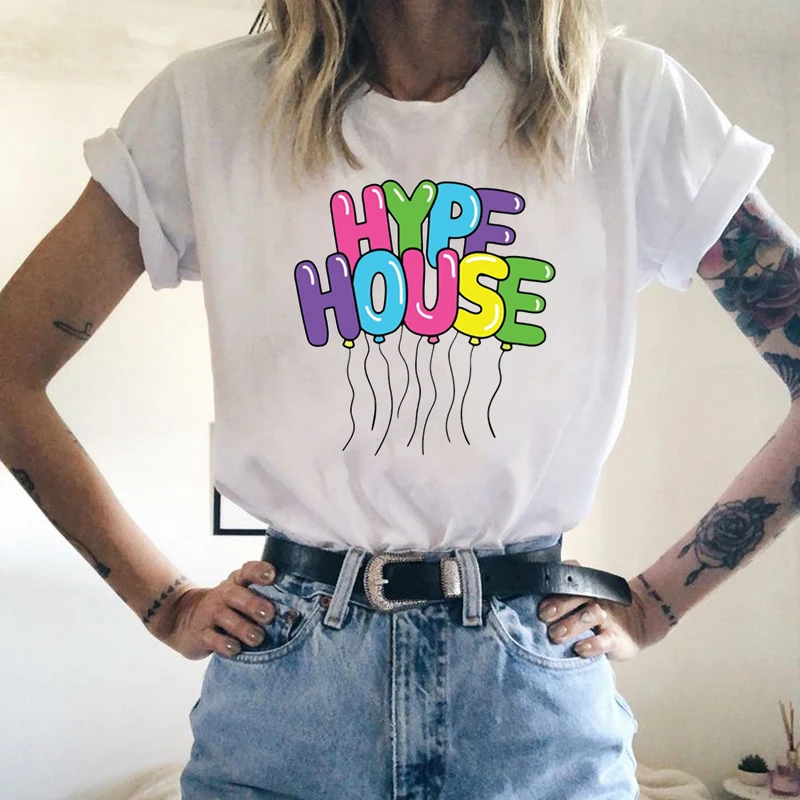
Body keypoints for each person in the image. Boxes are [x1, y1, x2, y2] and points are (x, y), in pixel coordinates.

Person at [0, 0, 795, 797]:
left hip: (528, 701)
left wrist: (652, 605)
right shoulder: (206, 107)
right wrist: (166, 605)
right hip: (290, 697)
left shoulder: (629, 103)